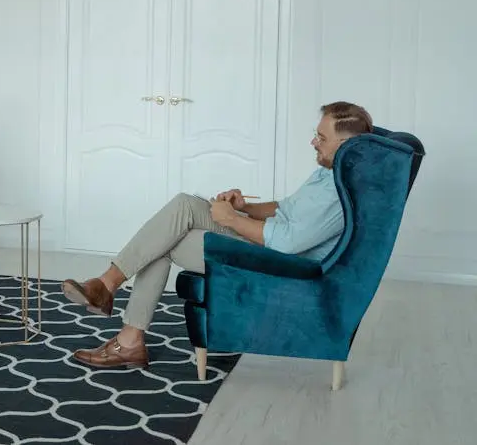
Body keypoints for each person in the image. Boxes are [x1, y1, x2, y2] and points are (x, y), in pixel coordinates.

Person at [60, 101, 373, 369]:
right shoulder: (329, 173)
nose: (313, 142)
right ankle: (108, 287)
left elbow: (289, 244)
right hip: (264, 239)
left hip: (276, 260)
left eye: (321, 136)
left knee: (165, 241)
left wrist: (233, 222)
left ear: (347, 146)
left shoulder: (339, 193)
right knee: (184, 205)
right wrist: (243, 208)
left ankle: (126, 332)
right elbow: (285, 208)